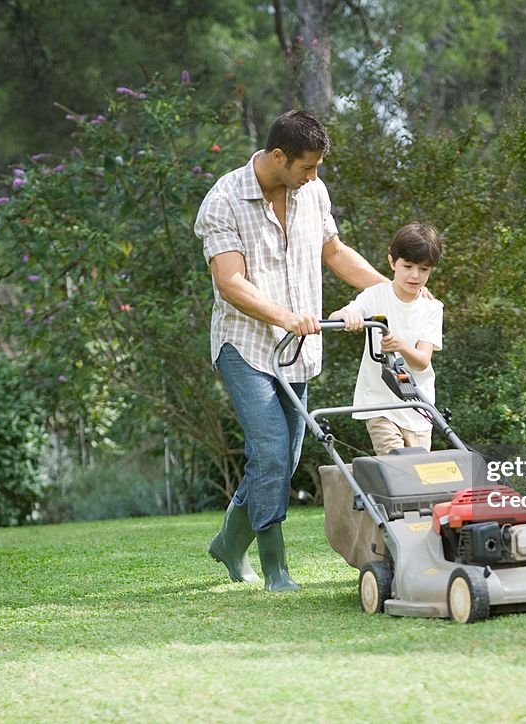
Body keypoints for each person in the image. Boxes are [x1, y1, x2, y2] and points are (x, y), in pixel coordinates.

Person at [195, 110, 388, 592]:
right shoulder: (223, 200)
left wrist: (392, 291)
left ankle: (228, 543)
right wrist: (284, 315)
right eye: (307, 167)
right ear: (278, 156)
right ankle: (275, 567)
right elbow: (230, 282)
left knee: (282, 455)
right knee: (273, 450)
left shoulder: (312, 191)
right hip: (246, 346)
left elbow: (335, 251)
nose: (314, 177)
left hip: (298, 349)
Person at [329, 223, 444, 455]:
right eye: (408, 266)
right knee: (397, 465)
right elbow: (335, 317)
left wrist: (400, 344)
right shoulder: (375, 295)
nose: (415, 275)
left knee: (419, 477)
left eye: (423, 269)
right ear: (392, 262)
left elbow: (422, 361)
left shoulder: (431, 308)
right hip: (380, 405)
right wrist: (347, 316)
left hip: (418, 407)